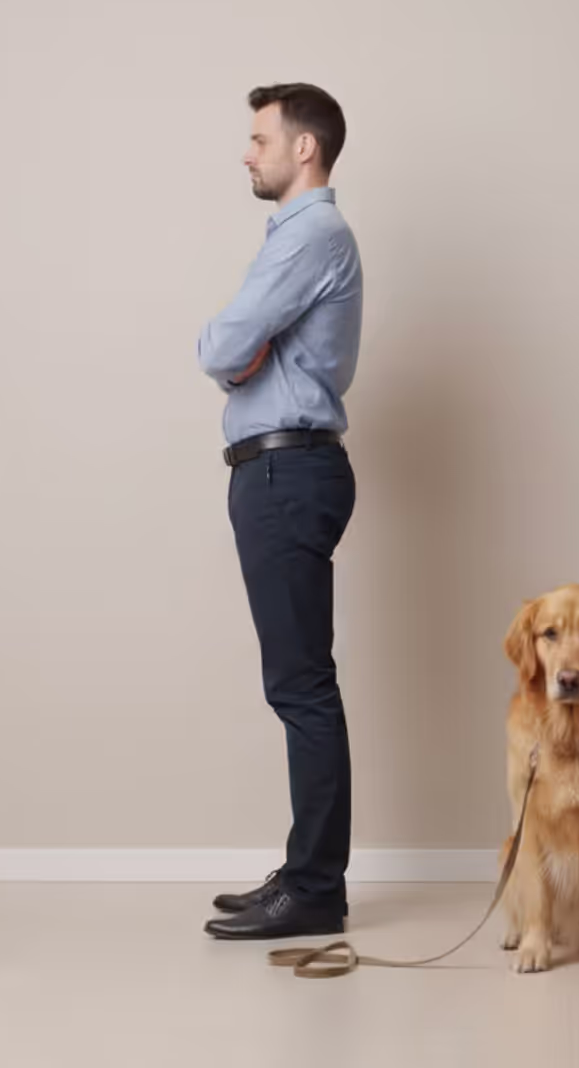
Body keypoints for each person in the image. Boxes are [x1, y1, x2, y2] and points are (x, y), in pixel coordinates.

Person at [198, 83, 363, 941]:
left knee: (301, 686)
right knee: (297, 683)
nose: (247, 150)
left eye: (260, 137)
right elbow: (238, 345)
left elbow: (223, 346)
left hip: (286, 471)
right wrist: (240, 348)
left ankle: (314, 888)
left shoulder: (313, 234)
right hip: (282, 471)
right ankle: (306, 871)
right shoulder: (297, 238)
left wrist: (233, 351)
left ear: (306, 148)